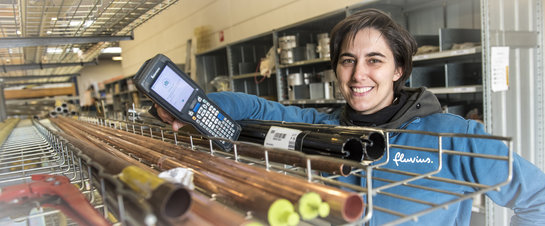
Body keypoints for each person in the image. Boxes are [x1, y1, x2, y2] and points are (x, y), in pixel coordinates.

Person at [155, 9, 545, 225]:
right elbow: (258, 110)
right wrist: (193, 105)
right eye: (348, 61)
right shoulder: (323, 131)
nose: (358, 75)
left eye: (374, 61)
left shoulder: (455, 137)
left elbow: (538, 201)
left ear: (399, 70)